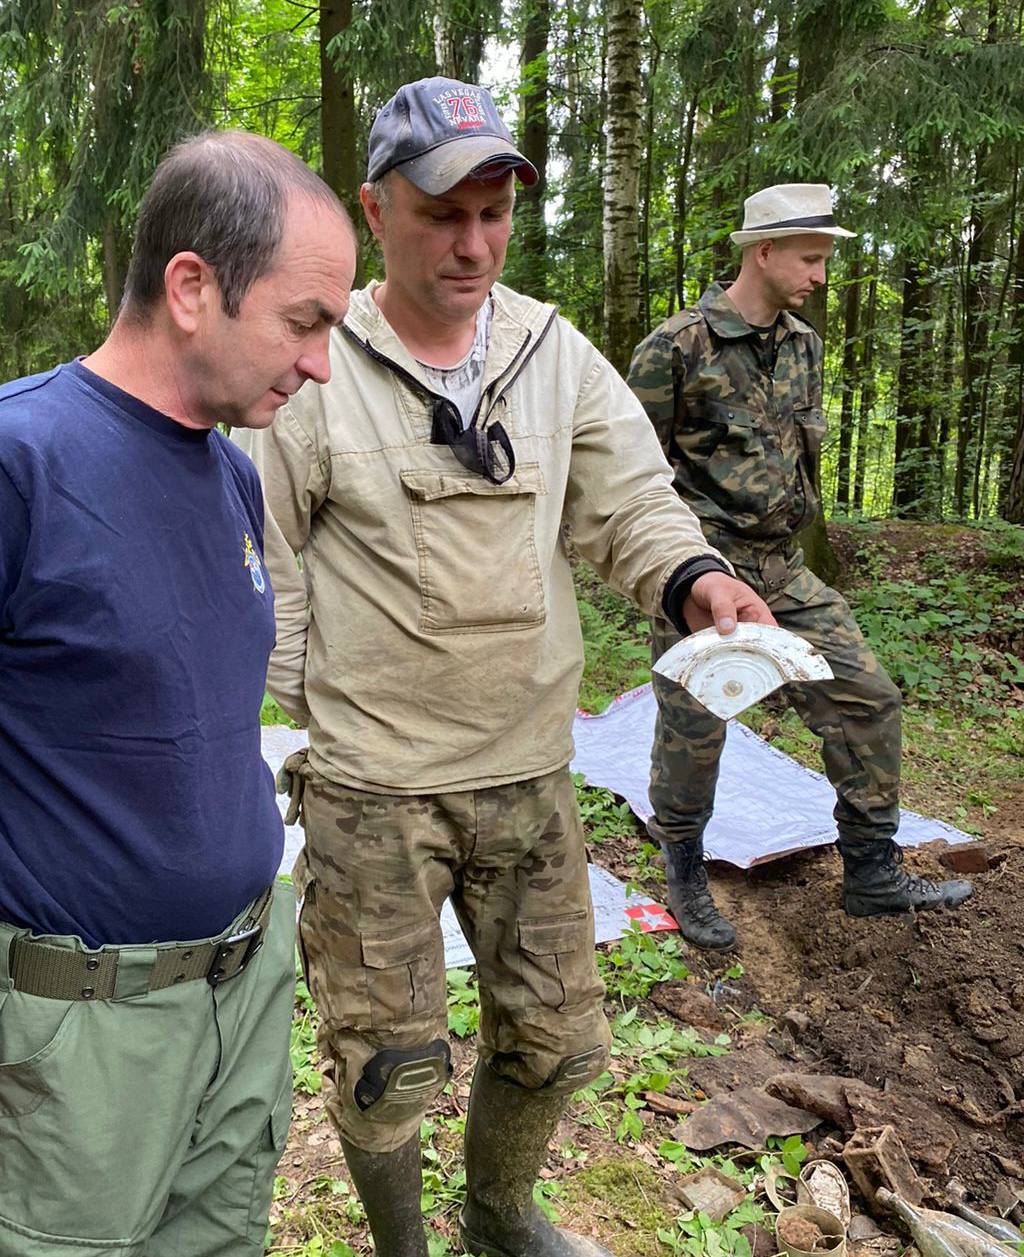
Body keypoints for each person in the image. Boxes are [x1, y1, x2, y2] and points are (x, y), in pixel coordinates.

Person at [232, 78, 774, 1257]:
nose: (474, 243)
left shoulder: (552, 352)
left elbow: (632, 503)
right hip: (372, 788)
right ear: (376, 212)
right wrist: (298, 707)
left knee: (559, 1037)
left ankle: (499, 1215)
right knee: (388, 1061)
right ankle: (402, 1248)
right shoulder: (318, 370)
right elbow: (260, 554)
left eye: (495, 211)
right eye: (443, 215)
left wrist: (694, 582)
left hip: (528, 773)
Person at [0, 130, 355, 1255]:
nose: (319, 364)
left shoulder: (225, 468)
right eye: (305, 323)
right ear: (193, 286)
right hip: (76, 1041)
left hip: (241, 995)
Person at [627, 183, 973, 951]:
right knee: (696, 726)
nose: (821, 275)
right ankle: (683, 868)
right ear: (765, 252)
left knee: (869, 697)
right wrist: (678, 573)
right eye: (811, 258)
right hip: (703, 574)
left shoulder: (803, 344)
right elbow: (630, 478)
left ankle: (872, 871)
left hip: (785, 571)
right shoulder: (675, 349)